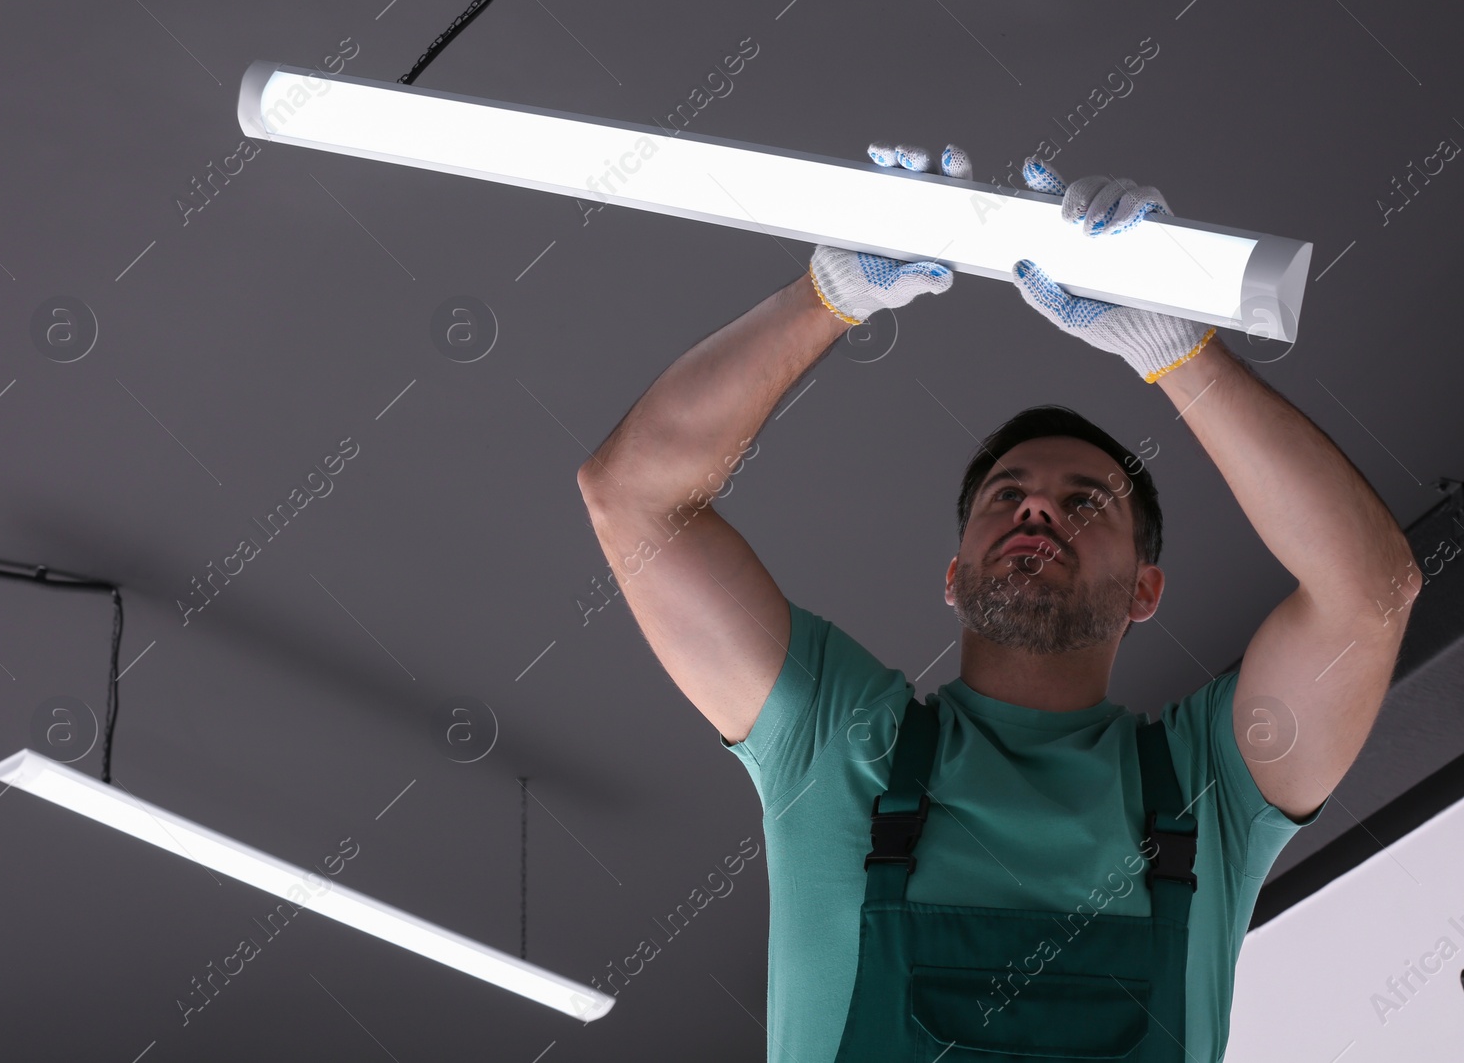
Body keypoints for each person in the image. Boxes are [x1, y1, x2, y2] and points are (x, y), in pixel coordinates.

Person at [575, 141, 1417, 1062]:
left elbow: (1369, 594)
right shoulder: (840, 741)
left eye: (1087, 501)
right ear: (953, 574)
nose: (1039, 506)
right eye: (1005, 495)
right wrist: (828, 293)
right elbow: (632, 497)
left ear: (1147, 590)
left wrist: (1175, 350)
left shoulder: (1208, 786)